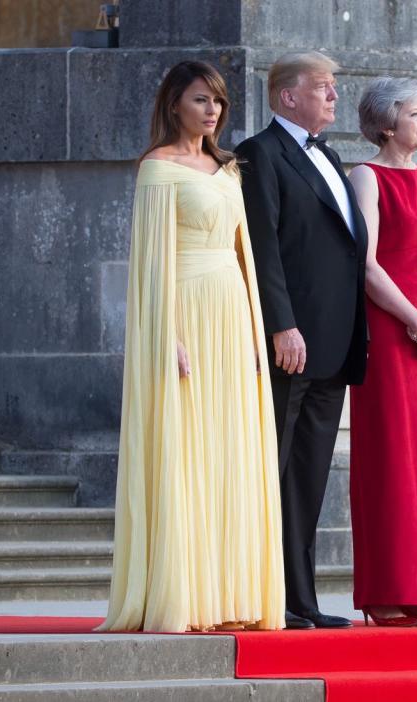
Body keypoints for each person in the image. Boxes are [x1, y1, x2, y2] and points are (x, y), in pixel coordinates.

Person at [98, 60, 285, 633]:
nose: (213, 111)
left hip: (230, 311)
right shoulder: (157, 169)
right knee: (188, 448)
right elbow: (151, 263)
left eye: (219, 102)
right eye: (202, 100)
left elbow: (245, 256)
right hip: (185, 311)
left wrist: (258, 328)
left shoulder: (228, 168)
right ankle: (183, 594)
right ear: (175, 102)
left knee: (230, 450)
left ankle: (226, 594)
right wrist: (166, 334)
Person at [235, 51, 368, 630]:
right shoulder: (260, 154)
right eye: (323, 87)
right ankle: (264, 597)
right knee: (274, 468)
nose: (334, 96)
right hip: (290, 340)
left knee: (309, 474)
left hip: (333, 344)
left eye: (334, 87)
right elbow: (263, 246)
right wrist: (281, 324)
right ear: (288, 96)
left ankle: (302, 600)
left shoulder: (332, 156)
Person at [347, 77, 417, 627]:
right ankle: (384, 593)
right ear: (387, 123)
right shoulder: (365, 177)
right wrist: (415, 320)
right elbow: (365, 264)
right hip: (390, 334)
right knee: (391, 461)